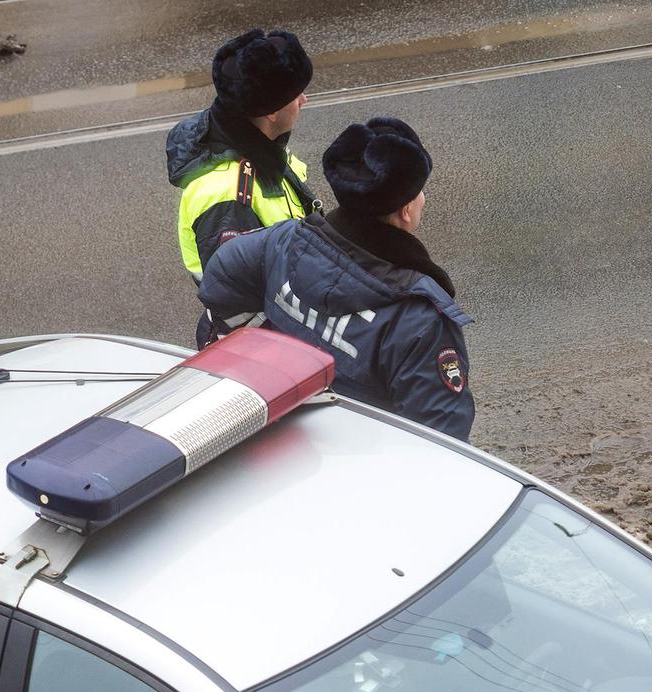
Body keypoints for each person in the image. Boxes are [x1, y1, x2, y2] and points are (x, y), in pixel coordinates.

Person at [198, 117, 476, 442]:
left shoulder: (286, 240)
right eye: (420, 192)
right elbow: (442, 443)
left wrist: (264, 355)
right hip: (354, 464)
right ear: (405, 210)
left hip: (285, 433)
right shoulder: (420, 321)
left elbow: (222, 276)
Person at [166, 28, 318, 348]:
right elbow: (242, 303)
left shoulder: (260, 147)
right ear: (271, 111)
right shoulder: (230, 195)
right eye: (296, 94)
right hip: (263, 347)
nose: (304, 100)